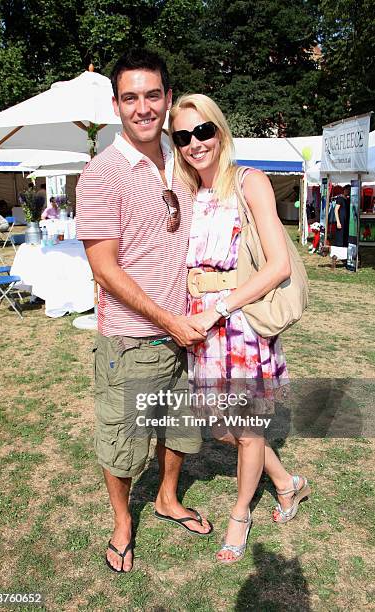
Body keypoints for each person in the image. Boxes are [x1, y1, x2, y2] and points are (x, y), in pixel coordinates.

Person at [75, 50, 211, 574]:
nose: (143, 108)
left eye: (152, 95)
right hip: (132, 341)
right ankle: (122, 522)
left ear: (168, 98)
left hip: (186, 336)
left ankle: (168, 498)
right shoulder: (102, 173)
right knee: (123, 443)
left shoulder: (183, 161)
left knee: (178, 431)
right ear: (116, 105)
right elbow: (105, 269)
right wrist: (169, 320)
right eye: (130, 98)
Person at [169, 93, 310, 564]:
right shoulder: (186, 193)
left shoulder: (250, 182)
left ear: (220, 130)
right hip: (198, 325)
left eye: (203, 130)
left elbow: (277, 265)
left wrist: (220, 308)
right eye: (183, 136)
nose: (195, 143)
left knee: (247, 430)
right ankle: (287, 483)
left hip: (239, 325)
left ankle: (240, 513)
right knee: (219, 424)